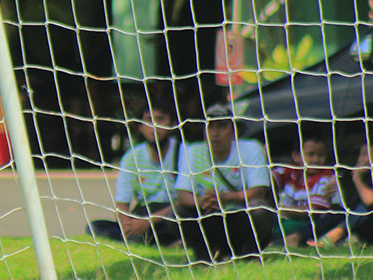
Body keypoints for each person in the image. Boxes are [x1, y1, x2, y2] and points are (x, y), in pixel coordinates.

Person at [175, 104, 274, 263]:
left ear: (234, 130)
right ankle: (204, 256)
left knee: (260, 209)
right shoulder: (193, 151)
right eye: (210, 127)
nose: (215, 133)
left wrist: (226, 197)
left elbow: (259, 191)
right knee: (176, 213)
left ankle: (249, 253)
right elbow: (182, 194)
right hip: (209, 215)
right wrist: (202, 201)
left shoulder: (250, 148)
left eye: (221, 126)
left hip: (240, 217)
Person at [87, 100, 182, 247]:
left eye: (161, 120)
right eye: (149, 120)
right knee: (95, 226)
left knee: (181, 223)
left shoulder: (185, 153)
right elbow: (122, 203)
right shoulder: (132, 157)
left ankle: (158, 238)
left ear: (173, 124)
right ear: (141, 126)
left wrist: (149, 221)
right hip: (144, 213)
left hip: (173, 214)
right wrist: (127, 225)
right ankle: (142, 238)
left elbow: (189, 200)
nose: (154, 127)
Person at [271, 132, 344, 248]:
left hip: (308, 222)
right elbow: (269, 180)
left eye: (320, 155)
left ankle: (287, 239)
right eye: (310, 155)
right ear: (296, 156)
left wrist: (279, 209)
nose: (316, 160)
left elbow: (311, 212)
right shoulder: (291, 172)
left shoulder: (326, 177)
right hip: (286, 218)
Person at [308, 136, 373, 248]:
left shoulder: (360, 178)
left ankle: (334, 236)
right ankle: (297, 237)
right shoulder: (364, 178)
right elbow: (348, 207)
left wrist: (357, 179)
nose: (359, 159)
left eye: (365, 154)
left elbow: (371, 203)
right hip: (362, 226)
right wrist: (331, 198)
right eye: (360, 154)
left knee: (362, 207)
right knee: (337, 212)